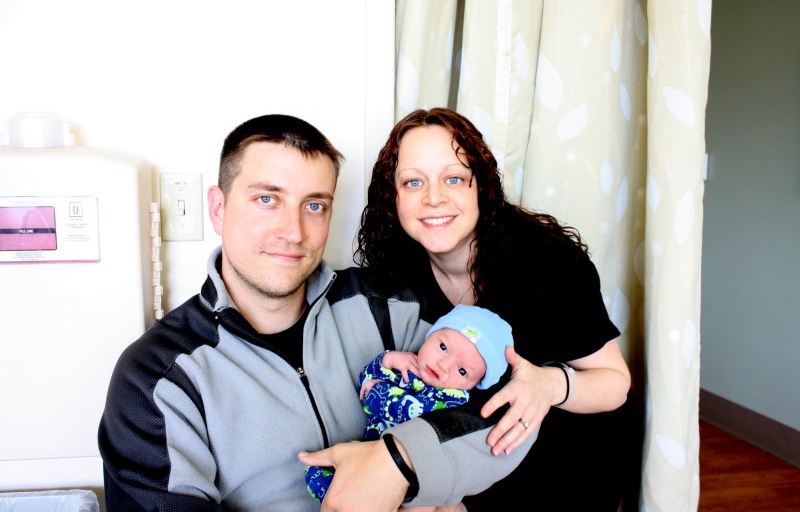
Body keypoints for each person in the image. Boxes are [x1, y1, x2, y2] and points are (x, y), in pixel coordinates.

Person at [97, 114, 531, 511]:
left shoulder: (384, 304)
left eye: (314, 205)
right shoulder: (156, 377)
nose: (293, 232)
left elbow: (509, 412)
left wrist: (399, 462)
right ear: (218, 207)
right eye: (267, 199)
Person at [354, 107, 642, 511]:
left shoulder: (547, 264)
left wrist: (550, 384)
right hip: (474, 471)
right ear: (393, 197)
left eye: (453, 178)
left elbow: (615, 383)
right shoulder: (400, 268)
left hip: (570, 469)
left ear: (481, 186)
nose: (433, 198)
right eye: (413, 182)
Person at [305, 304, 514, 510]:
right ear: (430, 336)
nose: (443, 365)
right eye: (443, 348)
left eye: (462, 371)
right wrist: (385, 361)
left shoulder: (453, 398)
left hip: (411, 472)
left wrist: (378, 391)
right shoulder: (408, 363)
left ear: (473, 385)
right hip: (369, 448)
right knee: (317, 471)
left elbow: (410, 411)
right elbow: (364, 383)